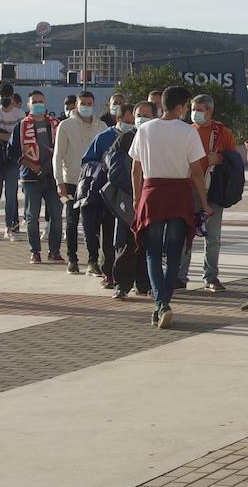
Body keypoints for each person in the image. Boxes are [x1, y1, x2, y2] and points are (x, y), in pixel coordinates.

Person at [131, 86, 210, 329]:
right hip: (179, 195)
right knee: (175, 251)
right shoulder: (188, 132)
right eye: (187, 106)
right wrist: (204, 204)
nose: (188, 110)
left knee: (152, 252)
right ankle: (164, 300)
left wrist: (136, 199)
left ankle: (160, 303)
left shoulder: (144, 129)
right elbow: (197, 171)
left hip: (152, 194)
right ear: (180, 106)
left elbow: (136, 169)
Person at [178, 94, 236, 292]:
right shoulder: (186, 131)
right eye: (193, 109)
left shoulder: (223, 133)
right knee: (186, 235)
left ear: (210, 111)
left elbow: (233, 160)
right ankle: (180, 276)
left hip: (213, 192)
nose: (195, 113)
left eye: (200, 109)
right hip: (189, 189)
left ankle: (211, 276)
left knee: (213, 237)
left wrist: (220, 158)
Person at [104, 101, 155, 299]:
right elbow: (115, 174)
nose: (141, 119)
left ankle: (145, 283)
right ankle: (122, 284)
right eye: (138, 115)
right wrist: (136, 190)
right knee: (128, 244)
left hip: (153, 200)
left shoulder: (157, 138)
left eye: (146, 115)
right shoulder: (125, 140)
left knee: (151, 244)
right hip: (131, 201)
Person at [82, 101, 134, 285]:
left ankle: (129, 275)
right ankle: (108, 273)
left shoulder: (138, 136)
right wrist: (106, 164)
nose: (132, 123)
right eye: (128, 120)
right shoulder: (103, 137)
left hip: (131, 194)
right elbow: (87, 162)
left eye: (133, 120)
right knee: (109, 235)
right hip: (109, 195)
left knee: (129, 238)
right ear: (118, 119)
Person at [52, 90, 101, 275]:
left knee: (92, 224)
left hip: (93, 182)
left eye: (90, 103)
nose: (86, 107)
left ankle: (93, 261)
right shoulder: (66, 125)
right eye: (83, 103)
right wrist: (59, 181)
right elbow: (58, 155)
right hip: (71, 180)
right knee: (72, 222)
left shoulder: (101, 125)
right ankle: (72, 259)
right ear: (77, 104)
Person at [19, 91, 63, 264]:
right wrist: (32, 166)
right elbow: (14, 151)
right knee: (32, 216)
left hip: (52, 176)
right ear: (28, 105)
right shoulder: (22, 125)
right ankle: (35, 251)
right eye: (34, 102)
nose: (38, 104)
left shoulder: (55, 124)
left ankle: (54, 251)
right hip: (31, 177)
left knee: (56, 216)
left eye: (40, 101)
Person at [0, 83, 24, 241]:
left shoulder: (20, 114)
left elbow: (19, 138)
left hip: (12, 159)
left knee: (11, 195)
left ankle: (9, 228)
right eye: (2, 96)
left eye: (8, 96)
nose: (5, 99)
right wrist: (8, 135)